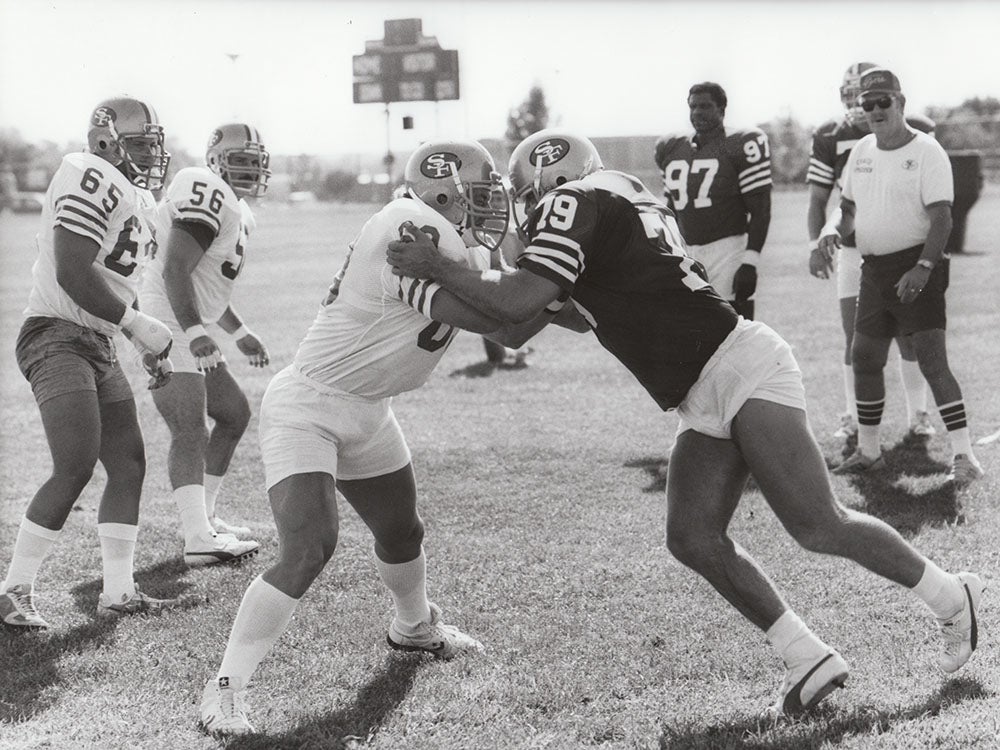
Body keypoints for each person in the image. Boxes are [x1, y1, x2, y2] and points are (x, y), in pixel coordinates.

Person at [387, 128, 984, 716]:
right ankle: (808, 656)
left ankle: (950, 594)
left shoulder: (578, 201)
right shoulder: (604, 205)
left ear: (548, 185)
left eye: (523, 195)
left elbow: (517, 302)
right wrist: (429, 294)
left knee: (817, 523)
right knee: (692, 535)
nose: (521, 210)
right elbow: (518, 326)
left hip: (739, 365)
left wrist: (440, 267)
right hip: (702, 385)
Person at [200, 139, 547, 734]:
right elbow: (503, 322)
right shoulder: (410, 227)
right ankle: (226, 685)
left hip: (368, 406)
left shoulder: (442, 232)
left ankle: (413, 627)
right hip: (310, 404)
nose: (493, 205)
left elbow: (506, 285)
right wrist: (568, 288)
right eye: (482, 192)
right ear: (446, 191)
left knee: (402, 530)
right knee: (309, 547)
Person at [1, 96, 183, 630]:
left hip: (97, 339)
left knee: (127, 463)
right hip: (57, 334)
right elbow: (73, 271)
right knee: (76, 463)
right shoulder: (88, 172)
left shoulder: (134, 196)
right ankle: (13, 590)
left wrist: (141, 339)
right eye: (142, 143)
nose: (152, 153)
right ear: (107, 141)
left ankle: (119, 591)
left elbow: (116, 282)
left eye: (154, 143)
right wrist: (136, 325)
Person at [818, 68, 985, 486]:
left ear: (900, 103)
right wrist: (829, 230)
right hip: (873, 270)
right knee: (866, 358)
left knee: (931, 361)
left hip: (916, 266)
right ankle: (870, 452)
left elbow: (942, 219)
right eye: (867, 104)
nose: (874, 110)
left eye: (882, 102)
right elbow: (848, 208)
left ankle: (964, 457)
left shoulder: (927, 151)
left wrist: (923, 268)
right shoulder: (861, 151)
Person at [140, 123, 271, 567]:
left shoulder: (236, 208)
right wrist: (196, 334)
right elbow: (176, 269)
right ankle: (197, 537)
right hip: (163, 319)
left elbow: (206, 284)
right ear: (217, 161)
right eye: (242, 160)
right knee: (190, 428)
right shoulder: (204, 186)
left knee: (233, 413)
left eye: (255, 161)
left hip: (183, 318)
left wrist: (237, 331)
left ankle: (208, 518)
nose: (251, 169)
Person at [808, 62, 937, 440]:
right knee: (855, 338)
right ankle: (852, 415)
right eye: (858, 97)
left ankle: (919, 414)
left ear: (895, 99)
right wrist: (817, 241)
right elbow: (819, 198)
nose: (864, 105)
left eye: (878, 99)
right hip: (853, 249)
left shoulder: (919, 130)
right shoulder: (830, 134)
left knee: (910, 336)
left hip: (902, 248)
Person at [654, 81, 772, 321]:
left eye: (706, 106)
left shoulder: (742, 143)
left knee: (735, 331)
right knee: (689, 332)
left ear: (722, 109)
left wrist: (750, 262)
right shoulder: (672, 147)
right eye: (693, 106)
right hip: (686, 251)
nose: (697, 112)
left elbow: (761, 209)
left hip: (728, 250)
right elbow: (670, 209)